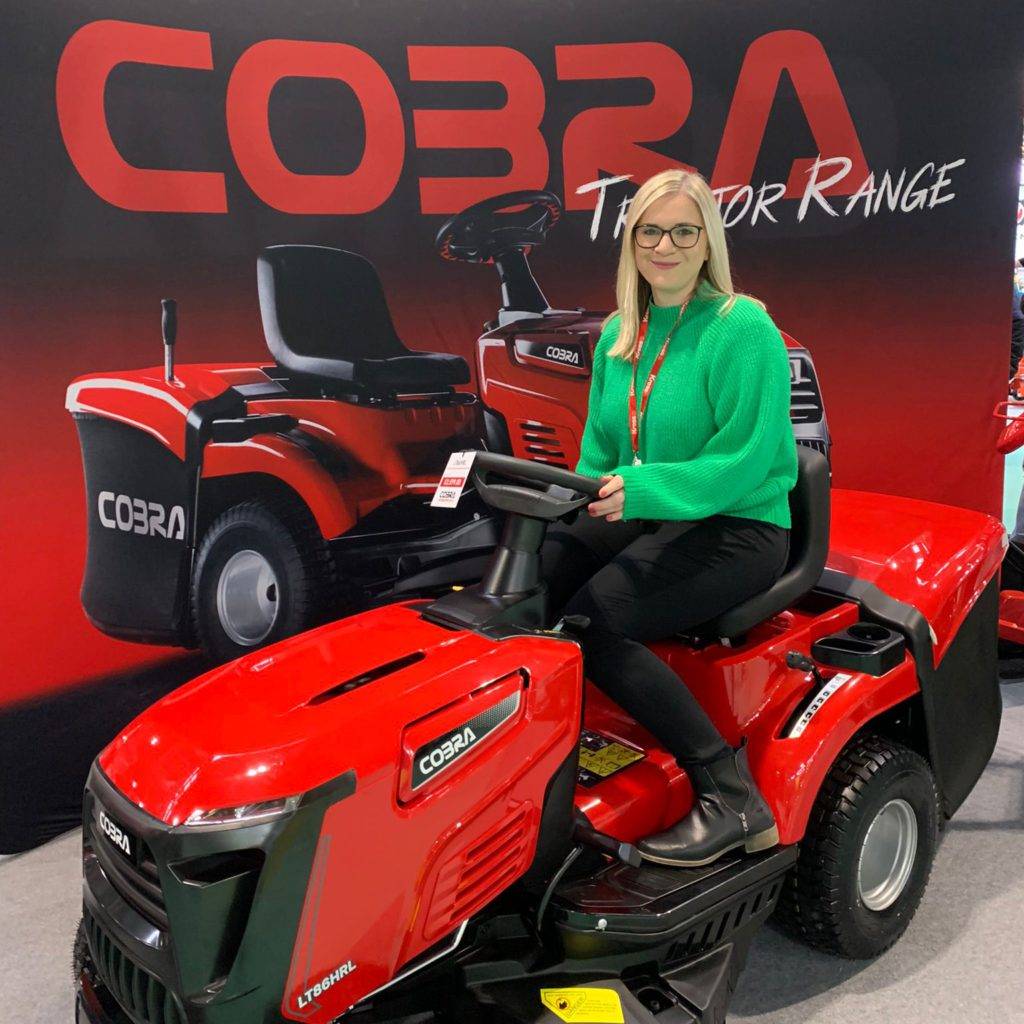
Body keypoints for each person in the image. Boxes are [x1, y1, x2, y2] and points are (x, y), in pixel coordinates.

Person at [540, 168, 798, 868]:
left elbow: (746, 461)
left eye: (684, 231)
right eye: (651, 231)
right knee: (533, 577)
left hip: (740, 523)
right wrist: (571, 501)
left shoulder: (741, 327)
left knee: (597, 621)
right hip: (655, 510)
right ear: (633, 243)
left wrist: (644, 490)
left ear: (707, 241)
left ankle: (731, 794)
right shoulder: (621, 332)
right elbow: (601, 448)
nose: (666, 245)